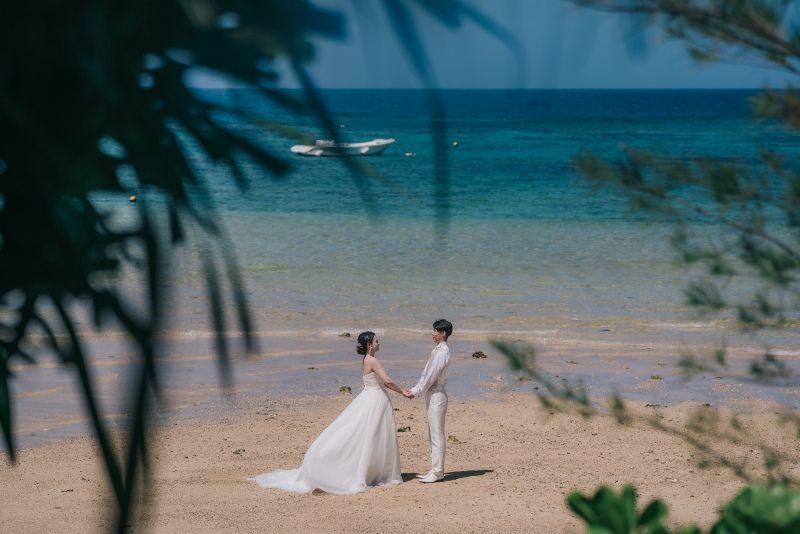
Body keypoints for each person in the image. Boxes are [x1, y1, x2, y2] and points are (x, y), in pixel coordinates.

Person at [248, 331, 405, 494]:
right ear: (369, 345)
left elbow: (381, 382)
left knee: (366, 433)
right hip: (374, 400)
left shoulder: (366, 359)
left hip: (371, 397)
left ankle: (369, 470)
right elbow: (387, 380)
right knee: (369, 434)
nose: (379, 343)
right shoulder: (372, 360)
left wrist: (399, 391)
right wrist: (402, 392)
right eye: (376, 341)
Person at [403, 318, 452, 483]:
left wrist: (415, 392)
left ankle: (438, 472)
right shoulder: (436, 351)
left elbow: (431, 377)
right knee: (433, 433)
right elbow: (425, 375)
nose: (432, 333)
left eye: (435, 331)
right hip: (431, 394)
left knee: (437, 433)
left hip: (437, 394)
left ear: (443, 333)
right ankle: (434, 469)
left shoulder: (442, 352)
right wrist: (416, 389)